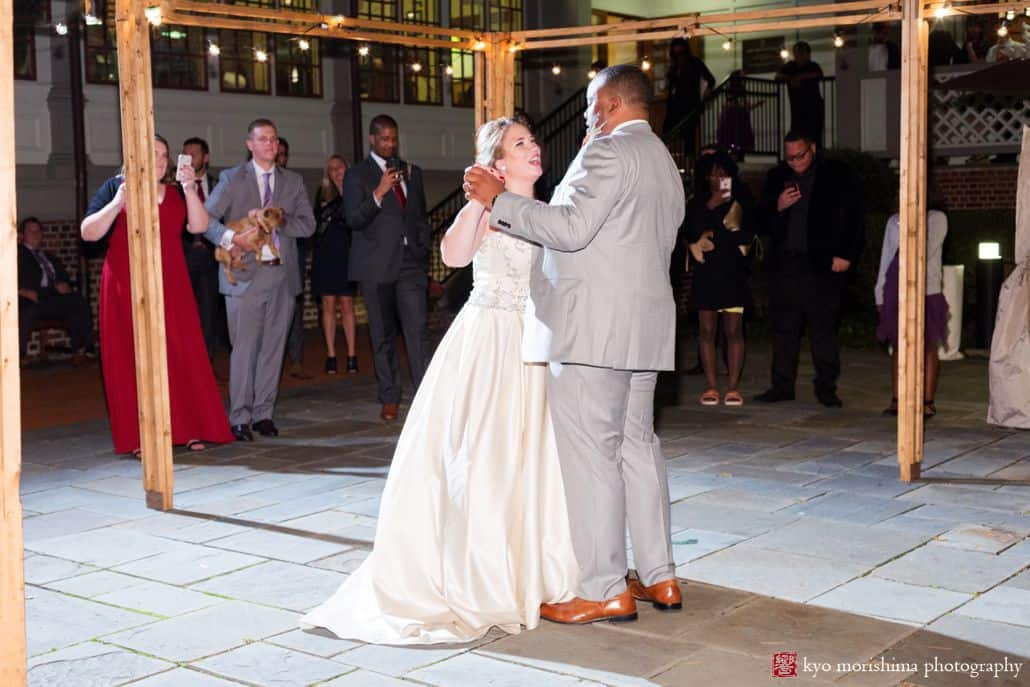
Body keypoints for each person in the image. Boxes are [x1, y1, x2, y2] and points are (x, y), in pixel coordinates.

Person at [302, 116, 578, 645]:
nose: (535, 149)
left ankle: (532, 565)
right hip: (489, 342)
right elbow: (452, 255)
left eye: (534, 141)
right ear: (498, 163)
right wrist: (481, 198)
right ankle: (479, 572)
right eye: (522, 144)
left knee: (533, 457)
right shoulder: (490, 210)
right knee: (483, 456)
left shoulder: (548, 212)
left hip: (537, 343)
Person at [464, 64, 684, 624]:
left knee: (592, 458)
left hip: (592, 333)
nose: (586, 114)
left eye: (590, 104)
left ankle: (603, 586)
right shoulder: (662, 158)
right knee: (638, 446)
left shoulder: (606, 153)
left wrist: (498, 199)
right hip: (645, 329)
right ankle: (660, 576)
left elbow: (569, 229)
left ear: (608, 103)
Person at [80, 134, 234, 455]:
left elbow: (199, 226)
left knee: (180, 352)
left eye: (165, 155)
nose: (162, 160)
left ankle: (190, 427)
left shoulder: (177, 192)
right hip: (126, 283)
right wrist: (117, 203)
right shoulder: (114, 187)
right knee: (132, 357)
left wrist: (191, 189)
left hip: (171, 281)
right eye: (154, 153)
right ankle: (140, 436)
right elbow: (88, 232)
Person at [203, 119, 316, 442]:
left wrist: (276, 222)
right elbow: (204, 220)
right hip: (243, 275)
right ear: (250, 144)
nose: (270, 144)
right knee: (244, 349)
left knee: (273, 348)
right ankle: (239, 417)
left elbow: (308, 225)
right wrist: (230, 238)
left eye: (274, 139)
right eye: (263, 139)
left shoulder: (292, 182)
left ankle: (264, 414)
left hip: (282, 274)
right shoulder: (231, 179)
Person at [755, 130, 864, 408]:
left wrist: (845, 254)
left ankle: (826, 387)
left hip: (822, 264)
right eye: (790, 158)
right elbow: (760, 219)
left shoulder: (836, 174)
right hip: (786, 264)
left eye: (800, 156)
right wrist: (778, 206)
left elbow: (854, 216)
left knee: (823, 329)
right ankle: (782, 385)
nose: (795, 162)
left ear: (812, 147)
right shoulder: (777, 177)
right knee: (784, 328)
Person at [345, 114, 432, 422]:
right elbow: (353, 219)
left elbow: (420, 217)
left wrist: (422, 251)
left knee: (417, 331)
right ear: (372, 139)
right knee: (382, 334)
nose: (390, 144)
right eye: (384, 139)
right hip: (375, 266)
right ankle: (390, 397)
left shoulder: (411, 172)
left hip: (410, 264)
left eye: (393, 138)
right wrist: (379, 191)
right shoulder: (357, 175)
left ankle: (425, 396)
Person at [685, 149, 754, 407]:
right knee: (706, 330)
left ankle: (733, 387)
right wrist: (711, 205)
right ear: (705, 176)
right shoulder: (697, 201)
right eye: (713, 173)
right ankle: (711, 386)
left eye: (723, 172)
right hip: (707, 274)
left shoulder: (742, 197)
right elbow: (690, 231)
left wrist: (726, 223)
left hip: (733, 272)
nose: (718, 177)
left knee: (733, 330)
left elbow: (748, 233)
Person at [876, 203, 949, 418]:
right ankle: (897, 399)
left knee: (927, 345)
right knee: (899, 345)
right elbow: (886, 256)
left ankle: (927, 400)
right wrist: (879, 292)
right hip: (896, 288)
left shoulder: (936, 218)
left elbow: (925, 250)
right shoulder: (894, 221)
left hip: (927, 289)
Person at [17, 217, 93, 364]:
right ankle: (17, 356)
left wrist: (65, 285)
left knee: (77, 302)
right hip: (32, 299)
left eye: (38, 231)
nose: (36, 234)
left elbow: (64, 278)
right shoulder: (17, 255)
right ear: (21, 236)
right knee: (26, 312)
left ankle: (82, 350)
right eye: (31, 231)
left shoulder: (48, 257)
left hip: (52, 298)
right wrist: (20, 291)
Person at [312, 155, 358, 374]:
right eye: (331, 169)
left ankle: (351, 355)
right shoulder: (322, 193)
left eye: (339, 167)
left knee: (347, 304)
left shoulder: (356, 191)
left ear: (346, 168)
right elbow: (315, 224)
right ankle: (331, 355)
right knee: (328, 304)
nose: (336, 172)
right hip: (326, 254)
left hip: (347, 254)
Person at [277, 137, 314, 381]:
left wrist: (283, 219)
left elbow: (306, 222)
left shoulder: (293, 184)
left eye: (282, 154)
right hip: (263, 261)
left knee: (294, 312)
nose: (278, 157)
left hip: (291, 256)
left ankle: (297, 359)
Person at [181, 137, 221, 362]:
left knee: (209, 311)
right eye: (185, 154)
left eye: (194, 154)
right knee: (186, 311)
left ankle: (207, 361)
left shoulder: (218, 184)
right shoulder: (175, 188)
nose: (189, 159)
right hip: (185, 255)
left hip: (211, 256)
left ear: (206, 157)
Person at [662, 37, 716, 153]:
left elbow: (711, 80)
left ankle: (688, 164)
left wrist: (705, 94)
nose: (678, 54)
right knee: (668, 133)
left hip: (690, 104)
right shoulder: (674, 66)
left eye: (680, 51)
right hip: (674, 104)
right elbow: (670, 85)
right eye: (676, 51)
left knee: (688, 135)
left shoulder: (695, 62)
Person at [776, 42, 825, 146]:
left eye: (802, 53)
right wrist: (791, 79)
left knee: (814, 135)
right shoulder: (790, 66)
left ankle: (815, 158)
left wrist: (800, 77)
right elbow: (778, 76)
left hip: (813, 107)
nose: (799, 56)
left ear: (808, 54)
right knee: (798, 135)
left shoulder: (813, 66)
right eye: (797, 53)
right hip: (797, 108)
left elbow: (818, 74)